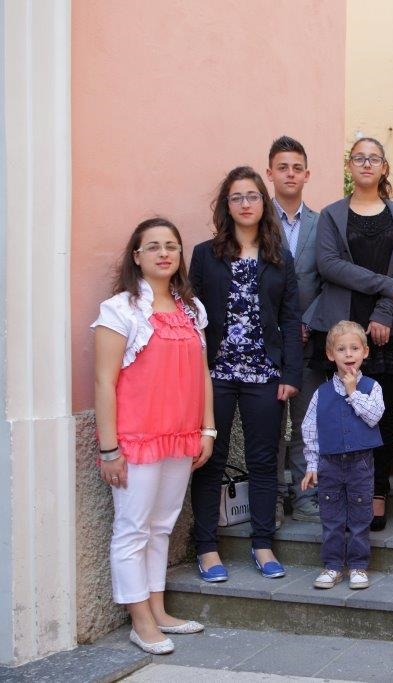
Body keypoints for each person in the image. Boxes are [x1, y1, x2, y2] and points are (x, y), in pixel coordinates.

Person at [93, 218, 213, 654]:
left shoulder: (191, 309)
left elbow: (202, 373)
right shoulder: (119, 310)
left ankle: (159, 609)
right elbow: (104, 383)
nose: (164, 253)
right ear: (137, 256)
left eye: (172, 246)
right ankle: (139, 620)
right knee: (133, 529)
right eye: (154, 246)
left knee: (162, 525)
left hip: (180, 436)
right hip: (136, 438)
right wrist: (109, 449)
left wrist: (208, 428)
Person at [189, 166, 301, 582]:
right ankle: (206, 548)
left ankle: (262, 542)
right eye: (237, 197)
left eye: (252, 196)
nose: (246, 204)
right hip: (215, 372)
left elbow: (290, 319)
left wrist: (290, 372)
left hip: (264, 373)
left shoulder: (279, 257)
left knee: (262, 461)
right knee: (210, 460)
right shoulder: (205, 254)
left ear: (263, 202)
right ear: (227, 205)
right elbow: (192, 317)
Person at [309, 137, 393, 533]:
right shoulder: (332, 215)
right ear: (349, 166)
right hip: (341, 328)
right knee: (340, 411)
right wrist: (384, 286)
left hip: (384, 330)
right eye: (359, 158)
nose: (367, 164)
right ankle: (338, 493)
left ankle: (376, 491)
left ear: (385, 168)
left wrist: (386, 309)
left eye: (374, 158)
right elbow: (329, 264)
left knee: (380, 415)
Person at [299, 321, 384, 590]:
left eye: (354, 348)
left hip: (360, 463)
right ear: (330, 355)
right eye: (341, 349)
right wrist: (312, 464)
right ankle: (332, 565)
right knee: (332, 517)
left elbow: (373, 416)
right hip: (330, 464)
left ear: (365, 352)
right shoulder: (321, 393)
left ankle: (358, 566)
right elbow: (310, 429)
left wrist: (353, 392)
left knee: (360, 516)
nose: (348, 354)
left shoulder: (372, 387)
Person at [265, 135, 323, 525]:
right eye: (282, 167)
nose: (290, 174)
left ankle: (305, 498)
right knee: (268, 425)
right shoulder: (255, 219)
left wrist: (307, 321)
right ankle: (270, 499)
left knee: (306, 423)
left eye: (296, 167)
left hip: (308, 340)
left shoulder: (324, 223)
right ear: (270, 173)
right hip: (266, 343)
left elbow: (329, 278)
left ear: (307, 174)